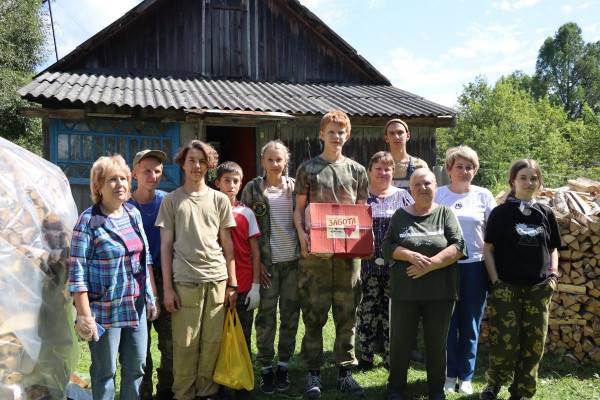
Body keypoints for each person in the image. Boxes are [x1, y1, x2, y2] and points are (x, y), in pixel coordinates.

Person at [68, 155, 158, 400]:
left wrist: (150, 297)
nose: (120, 184)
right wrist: (85, 316)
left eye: (123, 178)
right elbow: (77, 274)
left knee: (137, 366)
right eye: (112, 180)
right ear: (98, 187)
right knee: (104, 372)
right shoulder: (87, 222)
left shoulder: (132, 214)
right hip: (104, 311)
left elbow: (145, 258)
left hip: (135, 307)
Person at [294, 110, 369, 399]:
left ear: (347, 135)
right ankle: (313, 371)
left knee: (347, 314)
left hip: (349, 257)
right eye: (331, 131)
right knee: (313, 313)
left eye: (341, 132)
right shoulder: (308, 169)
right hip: (316, 257)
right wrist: (302, 236)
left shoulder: (357, 171)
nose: (336, 136)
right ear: (321, 134)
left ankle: (345, 372)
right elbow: (299, 209)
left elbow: (361, 212)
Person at [155, 140, 237, 400]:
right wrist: (167, 289)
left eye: (202, 161)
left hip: (217, 281)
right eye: (191, 160)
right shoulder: (171, 201)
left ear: (209, 165)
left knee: (212, 343)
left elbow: (228, 246)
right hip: (185, 282)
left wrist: (232, 284)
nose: (197, 166)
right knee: (185, 345)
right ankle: (183, 394)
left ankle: (207, 393)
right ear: (182, 163)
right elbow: (165, 247)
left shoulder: (220, 200)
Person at [382, 168, 467, 400]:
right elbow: (386, 246)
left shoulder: (445, 214)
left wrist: (431, 264)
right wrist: (409, 255)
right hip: (405, 292)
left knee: (436, 343)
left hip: (440, 292)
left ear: (435, 187)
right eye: (417, 184)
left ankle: (436, 390)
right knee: (400, 342)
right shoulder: (400, 215)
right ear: (411, 189)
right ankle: (396, 388)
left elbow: (459, 246)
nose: (423, 188)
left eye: (427, 183)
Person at [479, 159, 559, 400]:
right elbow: (488, 249)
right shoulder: (501, 213)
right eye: (523, 177)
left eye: (533, 178)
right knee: (504, 344)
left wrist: (553, 276)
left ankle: (523, 391)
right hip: (507, 288)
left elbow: (554, 247)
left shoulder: (545, 213)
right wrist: (496, 282)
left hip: (539, 288)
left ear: (539, 182)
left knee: (534, 345)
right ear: (513, 181)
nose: (528, 182)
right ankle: (494, 384)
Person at [434, 146, 496, 395]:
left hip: (475, 267)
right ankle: (449, 375)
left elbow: (493, 233)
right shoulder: (438, 195)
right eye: (459, 166)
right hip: (445, 267)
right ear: (449, 169)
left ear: (475, 170)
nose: (464, 171)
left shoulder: (484, 195)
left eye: (469, 167)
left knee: (471, 323)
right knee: (447, 322)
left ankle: (467, 377)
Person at [240, 140, 300, 395]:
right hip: (266, 266)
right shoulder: (252, 189)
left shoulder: (296, 188)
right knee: (265, 320)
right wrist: (256, 264)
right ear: (262, 161)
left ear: (286, 161)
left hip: (293, 264)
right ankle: (265, 368)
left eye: (279, 160)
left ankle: (284, 366)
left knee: (290, 317)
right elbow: (243, 228)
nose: (275, 164)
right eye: (270, 160)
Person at [356, 151, 413, 371]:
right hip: (366, 266)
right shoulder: (360, 197)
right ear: (369, 171)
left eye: (388, 168)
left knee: (394, 314)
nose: (383, 173)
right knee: (366, 311)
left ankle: (393, 357)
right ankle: (366, 358)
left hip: (396, 267)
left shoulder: (404, 197)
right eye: (378, 168)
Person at [128, 149, 173, 400]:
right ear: (134, 173)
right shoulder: (125, 206)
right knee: (138, 344)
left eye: (157, 170)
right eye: (146, 170)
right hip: (134, 279)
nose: (152, 175)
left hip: (164, 275)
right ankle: (142, 393)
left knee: (170, 343)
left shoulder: (167, 201)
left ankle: (166, 390)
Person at [215, 161, 261, 400]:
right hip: (215, 285)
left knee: (242, 335)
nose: (231, 186)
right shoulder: (210, 210)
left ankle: (243, 384)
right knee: (218, 337)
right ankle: (221, 385)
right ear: (217, 183)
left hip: (243, 285)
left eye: (236, 181)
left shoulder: (247, 213)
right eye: (227, 181)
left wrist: (255, 285)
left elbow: (254, 252)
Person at [383, 118, 428, 190]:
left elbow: (426, 195)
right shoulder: (378, 167)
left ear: (408, 136)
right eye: (392, 133)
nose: (396, 137)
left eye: (400, 132)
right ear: (386, 138)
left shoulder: (419, 166)